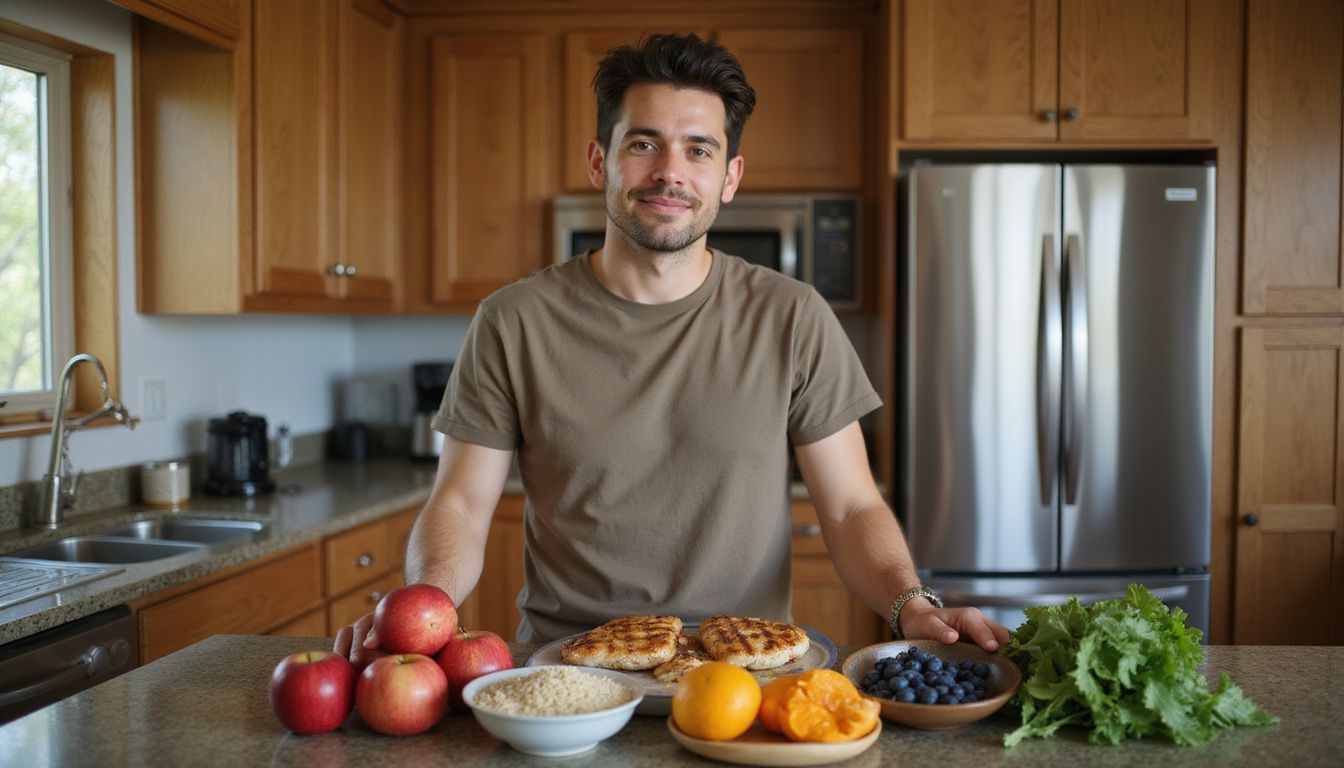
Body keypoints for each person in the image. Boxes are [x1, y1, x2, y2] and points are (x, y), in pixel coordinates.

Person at [336, 33, 1008, 664]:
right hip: (571, 676)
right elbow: (458, 502)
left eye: (698, 149)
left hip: (742, 672)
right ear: (600, 159)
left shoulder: (792, 317)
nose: (669, 172)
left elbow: (852, 505)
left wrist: (911, 605)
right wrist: (423, 612)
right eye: (643, 144)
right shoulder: (513, 322)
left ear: (731, 176)